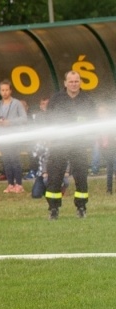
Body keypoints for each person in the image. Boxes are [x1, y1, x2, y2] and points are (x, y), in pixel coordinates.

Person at [45, 71, 96, 219]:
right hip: (59, 144)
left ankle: (81, 207)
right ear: (65, 83)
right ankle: (53, 209)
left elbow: (93, 121)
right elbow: (48, 119)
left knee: (81, 176)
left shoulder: (87, 100)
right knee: (55, 177)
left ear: (80, 82)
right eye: (71, 81)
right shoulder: (56, 99)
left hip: (79, 144)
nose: (74, 84)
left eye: (76, 81)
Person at [0, 80, 28, 193]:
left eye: (7, 90)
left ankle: (19, 184)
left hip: (14, 137)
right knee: (6, 160)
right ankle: (10, 184)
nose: (5, 92)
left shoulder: (16, 103)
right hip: (2, 137)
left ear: (10, 90)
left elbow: (24, 118)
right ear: (0, 91)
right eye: (2, 90)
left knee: (15, 159)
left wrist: (10, 122)